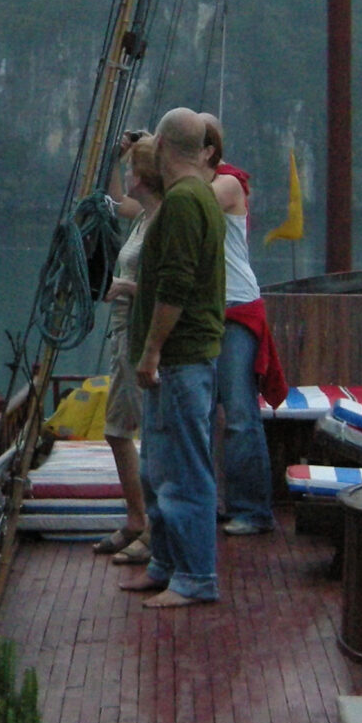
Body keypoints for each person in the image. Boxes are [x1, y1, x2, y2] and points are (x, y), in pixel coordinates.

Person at [119, 108, 229, 610]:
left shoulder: (185, 201)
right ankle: (164, 563)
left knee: (185, 471)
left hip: (181, 359)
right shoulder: (194, 194)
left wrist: (152, 350)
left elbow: (177, 284)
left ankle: (196, 576)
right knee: (157, 468)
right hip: (174, 362)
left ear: (161, 145)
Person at [199, 113, 282, 535]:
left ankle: (252, 509)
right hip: (203, 312)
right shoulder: (190, 185)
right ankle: (208, 502)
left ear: (207, 151)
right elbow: (132, 205)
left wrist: (160, 164)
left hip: (235, 308)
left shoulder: (227, 184)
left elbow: (194, 202)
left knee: (238, 412)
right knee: (199, 413)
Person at [91, 135, 163, 564]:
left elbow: (169, 290)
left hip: (140, 336)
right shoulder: (142, 216)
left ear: (146, 175)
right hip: (122, 334)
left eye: (134, 168)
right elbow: (114, 201)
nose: (129, 175)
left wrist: (123, 287)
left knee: (149, 435)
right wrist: (115, 158)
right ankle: (137, 519)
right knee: (117, 431)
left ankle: (154, 530)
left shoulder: (162, 221)